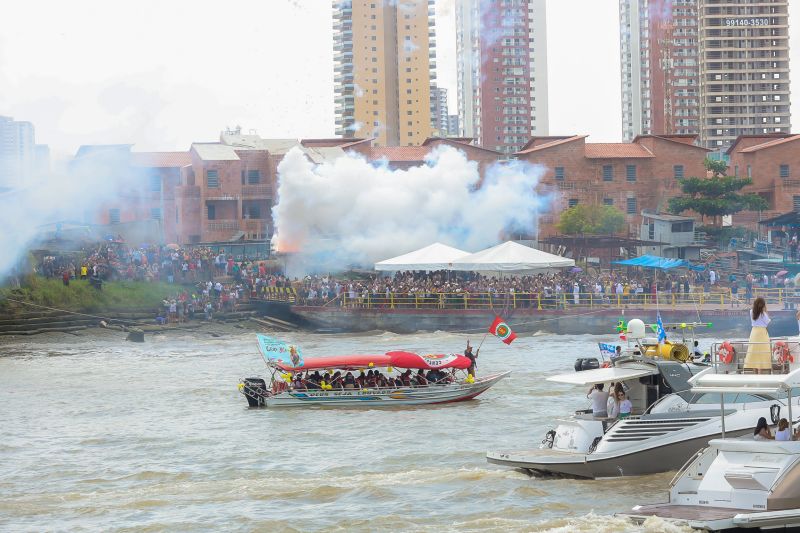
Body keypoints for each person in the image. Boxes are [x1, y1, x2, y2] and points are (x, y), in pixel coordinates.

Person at [744, 297, 772, 374]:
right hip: (762, 332)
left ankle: (754, 372)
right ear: (763, 305)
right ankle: (760, 372)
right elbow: (767, 323)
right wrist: (765, 311)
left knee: (754, 351)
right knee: (762, 352)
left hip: (754, 332)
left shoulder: (751, 312)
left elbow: (754, 312)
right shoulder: (763, 314)